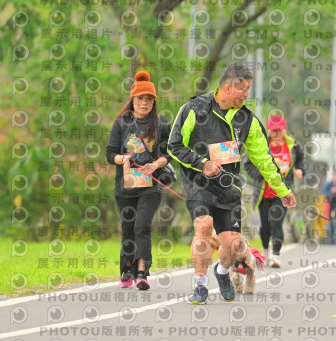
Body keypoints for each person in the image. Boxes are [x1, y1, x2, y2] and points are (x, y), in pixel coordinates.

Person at [168, 62, 296, 304]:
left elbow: (265, 160)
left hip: (228, 189)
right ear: (227, 87)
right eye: (243, 89)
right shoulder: (194, 109)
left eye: (249, 89)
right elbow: (174, 146)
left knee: (234, 246)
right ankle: (200, 286)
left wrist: (283, 191)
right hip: (199, 183)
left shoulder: (248, 120)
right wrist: (202, 163)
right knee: (203, 227)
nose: (247, 95)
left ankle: (222, 271)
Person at [106, 71, 172, 290]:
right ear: (132, 100)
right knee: (128, 228)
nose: (144, 103)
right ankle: (127, 269)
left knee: (142, 225)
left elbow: (169, 153)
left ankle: (142, 272)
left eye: (149, 99)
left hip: (150, 185)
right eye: (140, 99)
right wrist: (122, 159)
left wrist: (156, 164)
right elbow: (110, 153)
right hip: (125, 185)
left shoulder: (162, 125)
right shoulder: (121, 123)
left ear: (154, 102)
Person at [244, 114, 305, 268]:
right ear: (268, 130)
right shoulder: (261, 144)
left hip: (283, 193)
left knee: (276, 222)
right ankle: (266, 250)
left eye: (279, 130)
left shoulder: (294, 146)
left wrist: (300, 170)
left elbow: (301, 161)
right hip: (264, 193)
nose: (276, 133)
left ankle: (276, 255)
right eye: (273, 130)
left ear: (284, 130)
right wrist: (264, 172)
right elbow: (248, 165)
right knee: (265, 226)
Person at [322, 172, 336, 244]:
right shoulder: (330, 184)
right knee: (329, 227)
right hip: (330, 206)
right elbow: (324, 191)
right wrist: (330, 193)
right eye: (335, 176)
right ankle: (332, 241)